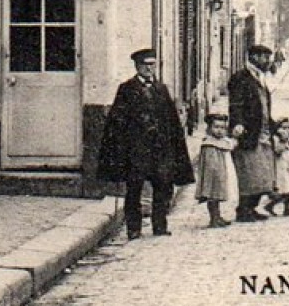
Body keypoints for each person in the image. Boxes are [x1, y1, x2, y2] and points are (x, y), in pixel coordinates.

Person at [96, 48, 194, 240]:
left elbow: (171, 120)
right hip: (136, 150)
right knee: (134, 189)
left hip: (160, 150)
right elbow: (117, 121)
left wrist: (173, 145)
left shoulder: (161, 89)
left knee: (163, 188)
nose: (149, 69)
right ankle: (134, 228)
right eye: (145, 65)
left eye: (152, 65)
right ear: (137, 67)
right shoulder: (126, 89)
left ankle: (160, 225)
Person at [228, 44, 278, 223]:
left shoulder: (260, 78)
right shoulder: (240, 77)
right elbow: (236, 105)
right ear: (254, 57)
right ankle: (243, 209)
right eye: (265, 57)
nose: (268, 61)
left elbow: (263, 106)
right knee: (249, 172)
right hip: (249, 132)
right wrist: (238, 124)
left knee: (262, 173)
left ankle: (252, 207)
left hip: (263, 132)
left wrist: (274, 125)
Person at [195, 112, 238, 228]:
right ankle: (213, 218)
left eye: (223, 128)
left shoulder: (222, 141)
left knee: (217, 196)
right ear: (209, 128)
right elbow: (209, 163)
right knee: (212, 197)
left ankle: (218, 216)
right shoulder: (209, 143)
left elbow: (229, 146)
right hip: (213, 174)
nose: (219, 130)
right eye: (216, 127)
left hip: (221, 172)